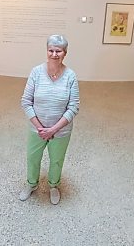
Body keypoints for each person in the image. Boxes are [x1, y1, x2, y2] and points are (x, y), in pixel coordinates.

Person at [19, 34, 80, 205]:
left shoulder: (70, 76)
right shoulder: (36, 72)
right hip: (36, 129)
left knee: (57, 160)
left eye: (58, 51)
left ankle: (54, 186)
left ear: (65, 53)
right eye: (51, 50)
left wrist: (53, 130)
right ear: (46, 51)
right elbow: (26, 101)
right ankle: (31, 184)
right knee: (33, 158)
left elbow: (73, 107)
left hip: (61, 131)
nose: (54, 54)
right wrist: (40, 128)